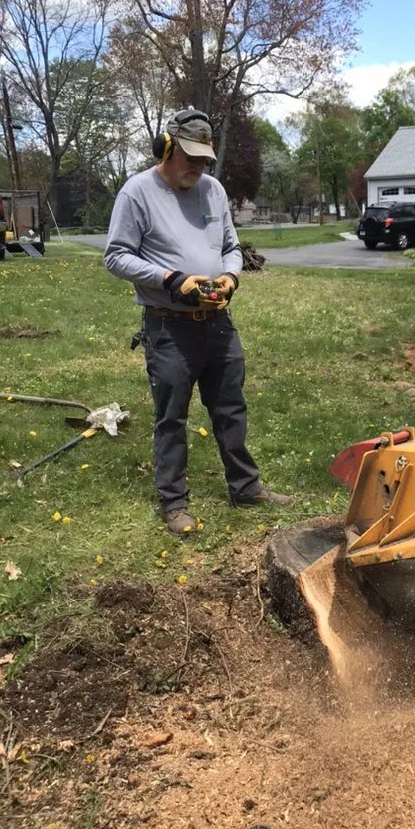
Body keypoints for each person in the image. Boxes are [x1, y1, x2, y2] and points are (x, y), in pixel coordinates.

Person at [104, 107, 292, 536]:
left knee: (230, 407)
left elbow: (230, 246)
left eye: (204, 158)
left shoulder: (214, 190)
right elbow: (115, 256)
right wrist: (172, 280)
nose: (197, 166)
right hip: (169, 325)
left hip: (218, 322)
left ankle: (245, 487)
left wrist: (229, 276)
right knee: (171, 415)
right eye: (189, 156)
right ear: (166, 147)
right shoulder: (137, 193)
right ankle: (174, 503)